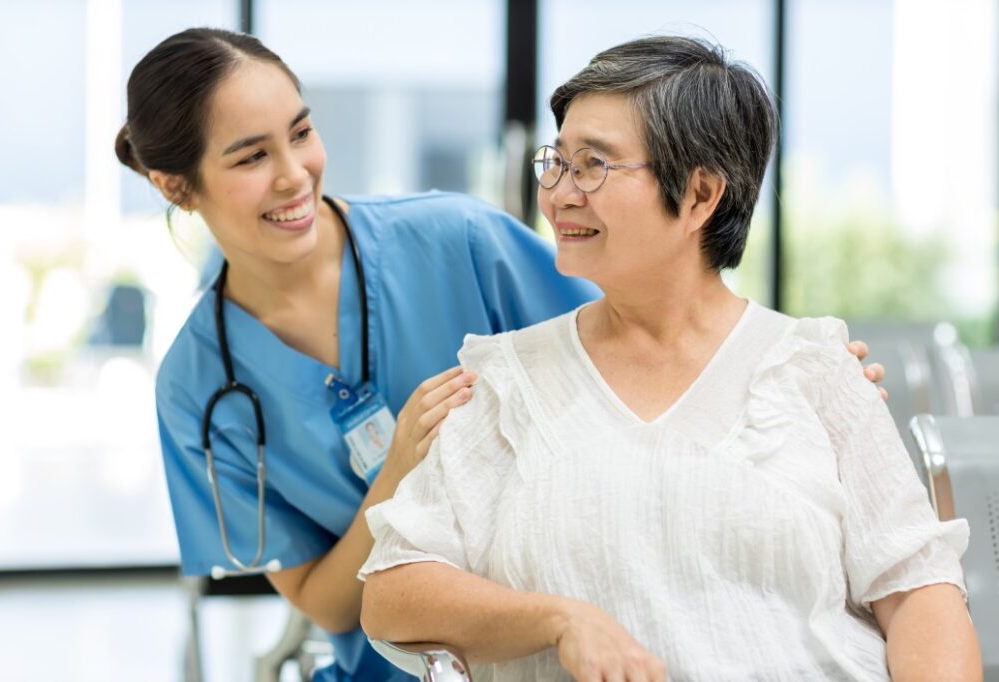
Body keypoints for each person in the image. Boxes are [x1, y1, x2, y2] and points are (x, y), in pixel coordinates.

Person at [117, 28, 885, 681]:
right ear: (176, 185)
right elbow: (325, 603)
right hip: (404, 655)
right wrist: (397, 475)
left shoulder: (457, 242)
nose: (295, 174)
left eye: (302, 131)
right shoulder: (198, 386)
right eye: (251, 156)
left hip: (600, 610)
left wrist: (782, 375)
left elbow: (648, 335)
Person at [359, 36, 982, 681]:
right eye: (557, 161)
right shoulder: (502, 380)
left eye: (593, 165)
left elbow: (918, 594)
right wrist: (560, 619)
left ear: (699, 195)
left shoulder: (815, 368)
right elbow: (394, 592)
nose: (559, 194)